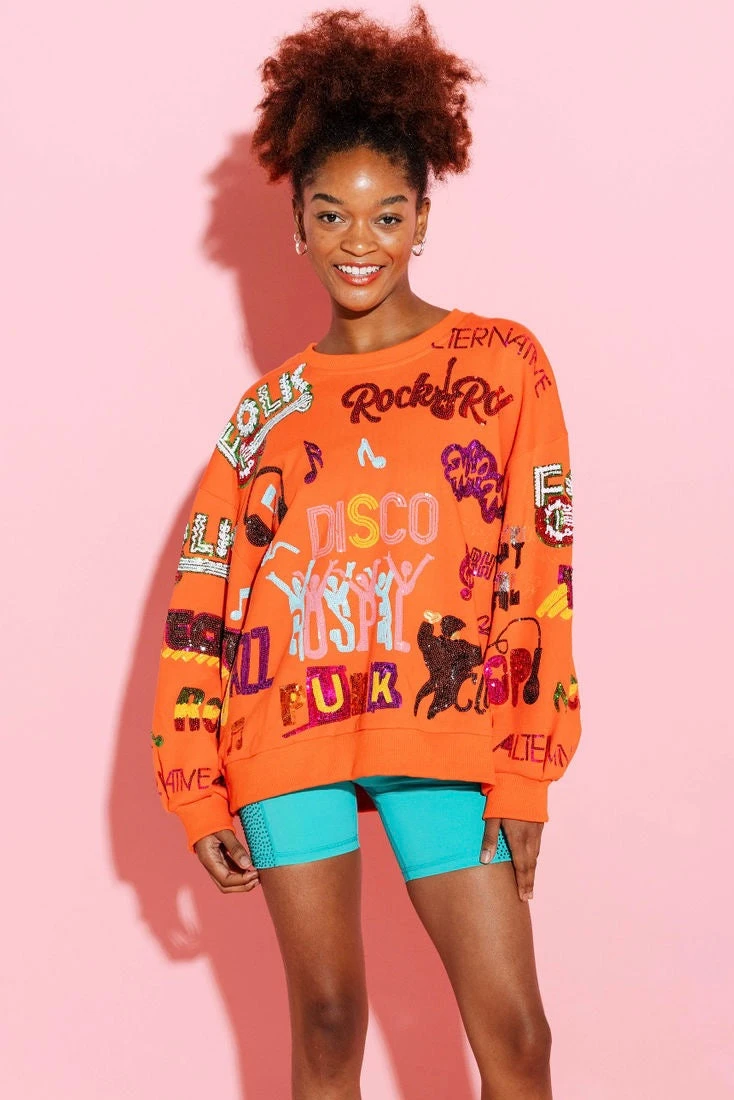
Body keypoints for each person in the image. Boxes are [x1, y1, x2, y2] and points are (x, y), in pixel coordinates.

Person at [150, 7, 582, 1098]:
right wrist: (194, 784)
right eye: (330, 213)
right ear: (295, 223)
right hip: (287, 729)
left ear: (423, 217)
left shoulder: (503, 364)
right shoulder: (267, 411)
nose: (359, 240)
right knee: (329, 1022)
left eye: (387, 214)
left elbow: (539, 566)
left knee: (517, 1035)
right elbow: (207, 588)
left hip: (448, 729)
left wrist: (527, 763)